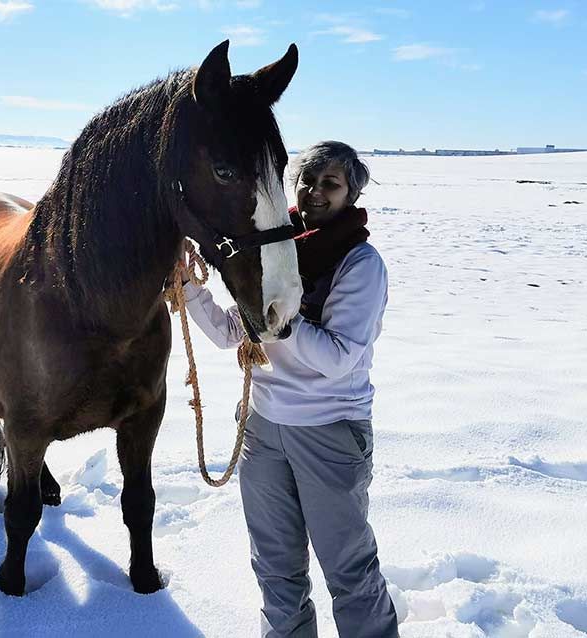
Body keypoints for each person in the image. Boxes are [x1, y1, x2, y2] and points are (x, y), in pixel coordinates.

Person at [181, 141, 398, 637]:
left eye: (331, 184)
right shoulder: (276, 252)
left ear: (351, 192)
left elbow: (338, 360)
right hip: (262, 429)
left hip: (328, 431)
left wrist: (282, 312)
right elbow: (230, 332)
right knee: (276, 571)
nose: (316, 192)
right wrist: (191, 288)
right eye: (307, 181)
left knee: (350, 572)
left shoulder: (360, 264)